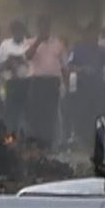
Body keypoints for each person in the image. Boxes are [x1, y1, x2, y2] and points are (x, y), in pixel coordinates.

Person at [69, 23, 105, 145]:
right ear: (86, 35)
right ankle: (83, 140)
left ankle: (95, 140)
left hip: (98, 88)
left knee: (97, 115)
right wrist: (82, 69)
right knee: (83, 114)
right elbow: (69, 66)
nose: (94, 37)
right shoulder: (77, 50)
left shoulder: (102, 50)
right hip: (82, 88)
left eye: (96, 34)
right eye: (91, 34)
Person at [25, 16, 67, 149]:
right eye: (41, 26)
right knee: (36, 113)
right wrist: (38, 41)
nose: (43, 29)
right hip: (37, 82)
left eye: (46, 26)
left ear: (49, 27)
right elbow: (27, 56)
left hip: (52, 82)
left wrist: (66, 85)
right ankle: (38, 143)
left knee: (50, 113)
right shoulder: (31, 42)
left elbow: (64, 66)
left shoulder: (57, 43)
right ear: (38, 28)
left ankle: (48, 143)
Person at [0, 20, 32, 135]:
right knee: (11, 112)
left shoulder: (29, 44)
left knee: (27, 112)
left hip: (27, 82)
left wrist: (21, 60)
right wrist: (10, 61)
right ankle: (10, 137)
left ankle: (26, 137)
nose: (17, 32)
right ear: (12, 31)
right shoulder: (5, 45)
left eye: (19, 30)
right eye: (15, 30)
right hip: (11, 82)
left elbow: (33, 63)